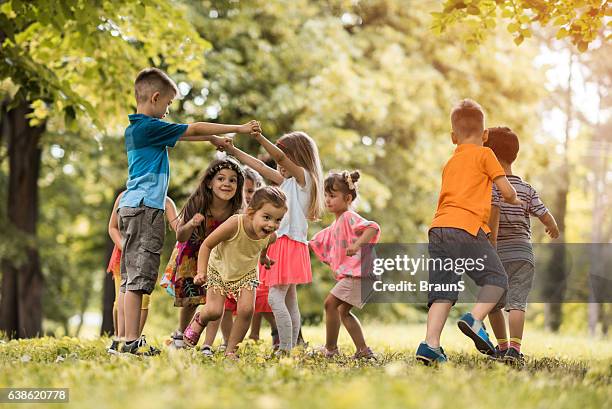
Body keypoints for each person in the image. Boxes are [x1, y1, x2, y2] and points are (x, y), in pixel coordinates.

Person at [117, 67, 259, 355]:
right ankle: (130, 341)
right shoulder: (148, 127)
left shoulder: (136, 129)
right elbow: (192, 128)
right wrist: (239, 129)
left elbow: (188, 135)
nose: (168, 111)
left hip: (132, 207)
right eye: (168, 104)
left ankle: (125, 339)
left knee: (131, 277)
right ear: (155, 98)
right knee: (140, 279)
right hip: (146, 209)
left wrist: (211, 140)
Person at [415, 99, 522, 365]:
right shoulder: (486, 154)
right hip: (467, 228)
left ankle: (430, 345)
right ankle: (475, 319)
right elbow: (505, 190)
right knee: (497, 280)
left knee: (442, 289)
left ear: (454, 137)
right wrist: (515, 198)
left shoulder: (450, 163)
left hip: (439, 228)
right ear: (485, 136)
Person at [225, 131, 323, 354]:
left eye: (286, 157)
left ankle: (285, 349)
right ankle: (292, 347)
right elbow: (261, 167)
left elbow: (278, 158)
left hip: (289, 244)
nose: (280, 165)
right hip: (284, 244)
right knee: (289, 301)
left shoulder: (304, 179)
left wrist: (259, 137)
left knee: (274, 297)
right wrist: (233, 151)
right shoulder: (288, 182)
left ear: (298, 156)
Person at [182, 187, 288, 357]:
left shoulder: (271, 235)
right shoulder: (235, 223)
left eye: (278, 220)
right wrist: (201, 272)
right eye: (267, 217)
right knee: (215, 311)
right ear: (251, 213)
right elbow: (207, 245)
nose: (272, 225)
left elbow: (264, 245)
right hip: (219, 268)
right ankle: (200, 318)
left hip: (246, 273)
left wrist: (263, 258)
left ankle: (231, 350)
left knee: (246, 310)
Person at [484, 126, 559, 363]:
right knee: (517, 302)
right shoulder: (526, 189)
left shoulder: (489, 187)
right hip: (522, 253)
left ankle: (502, 346)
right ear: (513, 155)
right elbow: (544, 214)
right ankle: (515, 350)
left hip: (496, 252)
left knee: (494, 304)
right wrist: (552, 226)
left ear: (490, 156)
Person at [160, 157, 245, 353]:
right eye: (221, 179)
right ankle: (180, 334)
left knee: (215, 301)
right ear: (209, 182)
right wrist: (191, 224)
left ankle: (204, 340)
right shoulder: (199, 202)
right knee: (191, 298)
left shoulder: (236, 209)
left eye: (233, 180)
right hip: (192, 253)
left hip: (218, 257)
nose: (227, 184)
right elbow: (180, 235)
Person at [310, 170, 380, 359]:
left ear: (348, 197)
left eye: (332, 196)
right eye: (326, 195)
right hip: (360, 275)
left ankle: (330, 349)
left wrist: (357, 244)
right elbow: (319, 241)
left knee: (330, 304)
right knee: (342, 311)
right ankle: (363, 350)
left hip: (360, 274)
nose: (327, 200)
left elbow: (372, 228)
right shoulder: (336, 224)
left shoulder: (349, 217)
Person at [107, 191, 179, 354]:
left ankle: (134, 340)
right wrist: (125, 248)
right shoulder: (124, 197)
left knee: (143, 298)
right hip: (122, 257)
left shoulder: (164, 200)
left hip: (146, 257)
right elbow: (112, 228)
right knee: (121, 297)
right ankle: (119, 338)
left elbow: (178, 225)